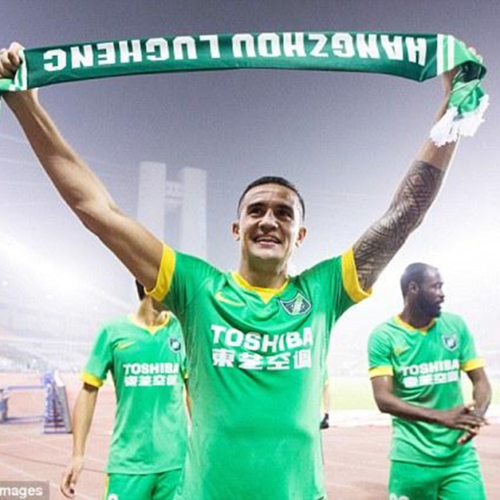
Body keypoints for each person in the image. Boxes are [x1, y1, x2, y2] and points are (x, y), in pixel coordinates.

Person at [1, 42, 464, 499]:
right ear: (236, 227)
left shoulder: (323, 291)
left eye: (284, 213)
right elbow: (97, 210)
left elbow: (404, 214)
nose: (269, 220)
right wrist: (25, 106)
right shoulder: (196, 288)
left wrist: (454, 108)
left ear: (300, 234)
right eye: (256, 210)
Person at [368, 263, 491, 500]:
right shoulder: (384, 336)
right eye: (435, 287)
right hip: (411, 460)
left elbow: (481, 381)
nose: (442, 294)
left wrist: (477, 415)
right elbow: (383, 399)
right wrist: (440, 416)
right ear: (413, 288)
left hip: (459, 458)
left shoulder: (455, 326)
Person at [60, 281, 188, 500]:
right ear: (148, 284)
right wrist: (77, 454)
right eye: (170, 284)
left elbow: (193, 391)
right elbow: (88, 391)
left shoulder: (181, 329)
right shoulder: (112, 332)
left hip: (176, 463)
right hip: (128, 463)